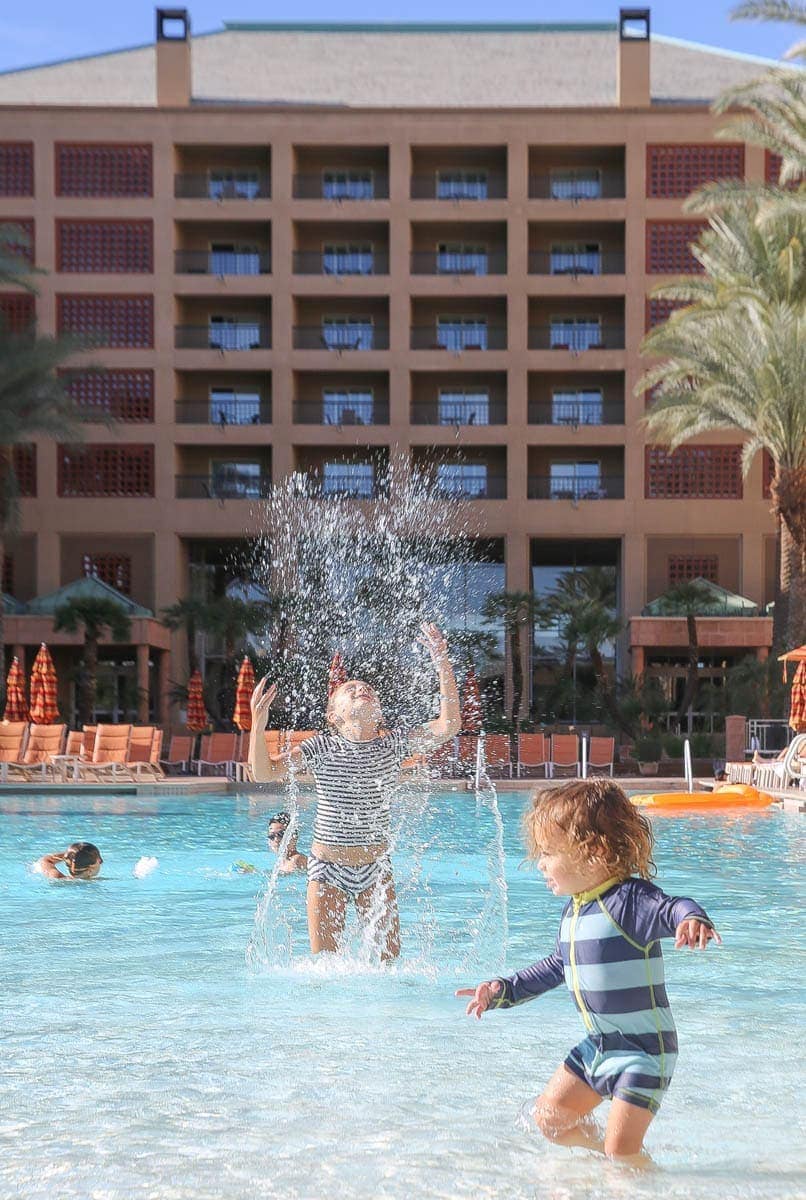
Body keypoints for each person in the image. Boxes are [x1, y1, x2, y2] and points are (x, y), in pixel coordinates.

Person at [456, 779, 720, 1164]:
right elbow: (555, 967)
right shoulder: (575, 911)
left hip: (644, 1053)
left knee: (622, 1153)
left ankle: (632, 1173)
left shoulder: (630, 901)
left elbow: (674, 906)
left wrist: (691, 919)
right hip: (599, 1046)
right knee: (549, 1120)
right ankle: (606, 1160)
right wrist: (503, 990)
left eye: (547, 853)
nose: (539, 863)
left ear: (593, 851)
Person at [249, 622, 460, 960]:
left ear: (378, 710)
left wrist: (442, 664)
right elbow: (263, 770)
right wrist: (257, 725)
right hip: (326, 867)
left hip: (375, 867)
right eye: (351, 689)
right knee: (326, 968)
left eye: (367, 688)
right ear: (334, 714)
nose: (362, 689)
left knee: (389, 967)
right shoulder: (320, 747)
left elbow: (448, 726)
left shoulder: (393, 745)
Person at [36, 842, 103, 881]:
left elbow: (45, 860)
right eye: (99, 860)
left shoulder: (56, 877)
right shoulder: (97, 881)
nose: (102, 861)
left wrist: (72, 855)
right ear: (90, 870)